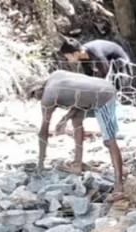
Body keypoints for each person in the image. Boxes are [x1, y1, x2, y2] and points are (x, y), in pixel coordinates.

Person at [30, 70, 125, 198]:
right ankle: (77, 162)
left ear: (38, 89)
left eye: (34, 95)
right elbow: (77, 99)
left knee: (109, 140)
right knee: (76, 121)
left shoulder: (48, 96)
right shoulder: (56, 76)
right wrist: (64, 119)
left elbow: (43, 132)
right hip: (94, 92)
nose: (36, 98)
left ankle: (119, 183)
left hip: (104, 96)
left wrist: (40, 164)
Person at [59, 37, 131, 80]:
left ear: (75, 54)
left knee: (121, 90)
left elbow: (107, 74)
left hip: (121, 62)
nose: (67, 60)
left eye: (67, 57)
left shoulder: (96, 54)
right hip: (109, 62)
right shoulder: (82, 55)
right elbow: (89, 74)